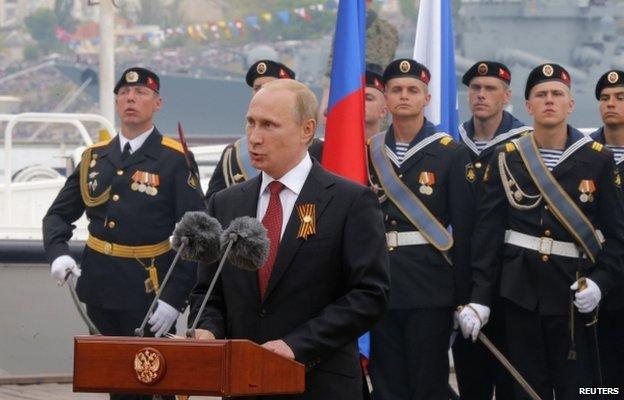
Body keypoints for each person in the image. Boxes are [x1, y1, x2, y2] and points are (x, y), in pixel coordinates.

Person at [189, 79, 390, 400]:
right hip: (245, 383)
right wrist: (207, 330)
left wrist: (295, 346)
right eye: (251, 123)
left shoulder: (350, 201)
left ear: (306, 130)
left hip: (320, 383)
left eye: (269, 125)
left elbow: (369, 295)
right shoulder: (225, 203)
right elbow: (208, 293)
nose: (254, 137)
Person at [460, 64, 624, 399]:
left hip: (573, 299)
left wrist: (600, 282)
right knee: (522, 391)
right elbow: (488, 235)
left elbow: (617, 237)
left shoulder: (598, 161)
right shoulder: (507, 158)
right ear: (527, 106)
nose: (549, 100)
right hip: (518, 296)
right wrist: (479, 299)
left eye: (557, 94)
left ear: (570, 105)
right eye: (541, 95)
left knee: (579, 390)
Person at [43, 67, 204, 400]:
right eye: (124, 93)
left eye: (141, 93)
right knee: (116, 383)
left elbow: (197, 235)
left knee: (154, 383)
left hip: (149, 290)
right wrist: (58, 252)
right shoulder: (95, 158)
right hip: (99, 287)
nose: (131, 98)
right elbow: (58, 214)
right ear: (117, 101)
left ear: (157, 103)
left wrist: (175, 299)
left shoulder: (174, 159)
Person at [367, 58, 476, 400]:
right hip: (380, 282)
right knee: (386, 384)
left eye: (413, 90)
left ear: (426, 98)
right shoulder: (369, 152)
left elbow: (466, 229)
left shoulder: (450, 154)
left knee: (427, 383)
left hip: (430, 286)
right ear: (385, 99)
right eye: (396, 90)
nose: (404, 96)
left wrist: (464, 298)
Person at [453, 61, 529, 400]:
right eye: (475, 88)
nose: (481, 95)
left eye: (490, 89)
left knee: (514, 382)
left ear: (507, 96)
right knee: (472, 381)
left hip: (514, 284)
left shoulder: (527, 148)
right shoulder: (454, 145)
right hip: (464, 283)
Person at [205, 59, 323, 201]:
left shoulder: (317, 150)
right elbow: (212, 204)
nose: (262, 93)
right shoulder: (233, 153)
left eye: (271, 86)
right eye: (257, 88)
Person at [590, 69, 624, 388]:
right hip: (596, 287)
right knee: (599, 383)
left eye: (620, 97)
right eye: (604, 98)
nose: (610, 103)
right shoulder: (584, 156)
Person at [364, 63, 388, 139]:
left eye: (368, 99)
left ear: (383, 111)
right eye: (355, 99)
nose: (359, 103)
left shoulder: (391, 150)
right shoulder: (329, 147)